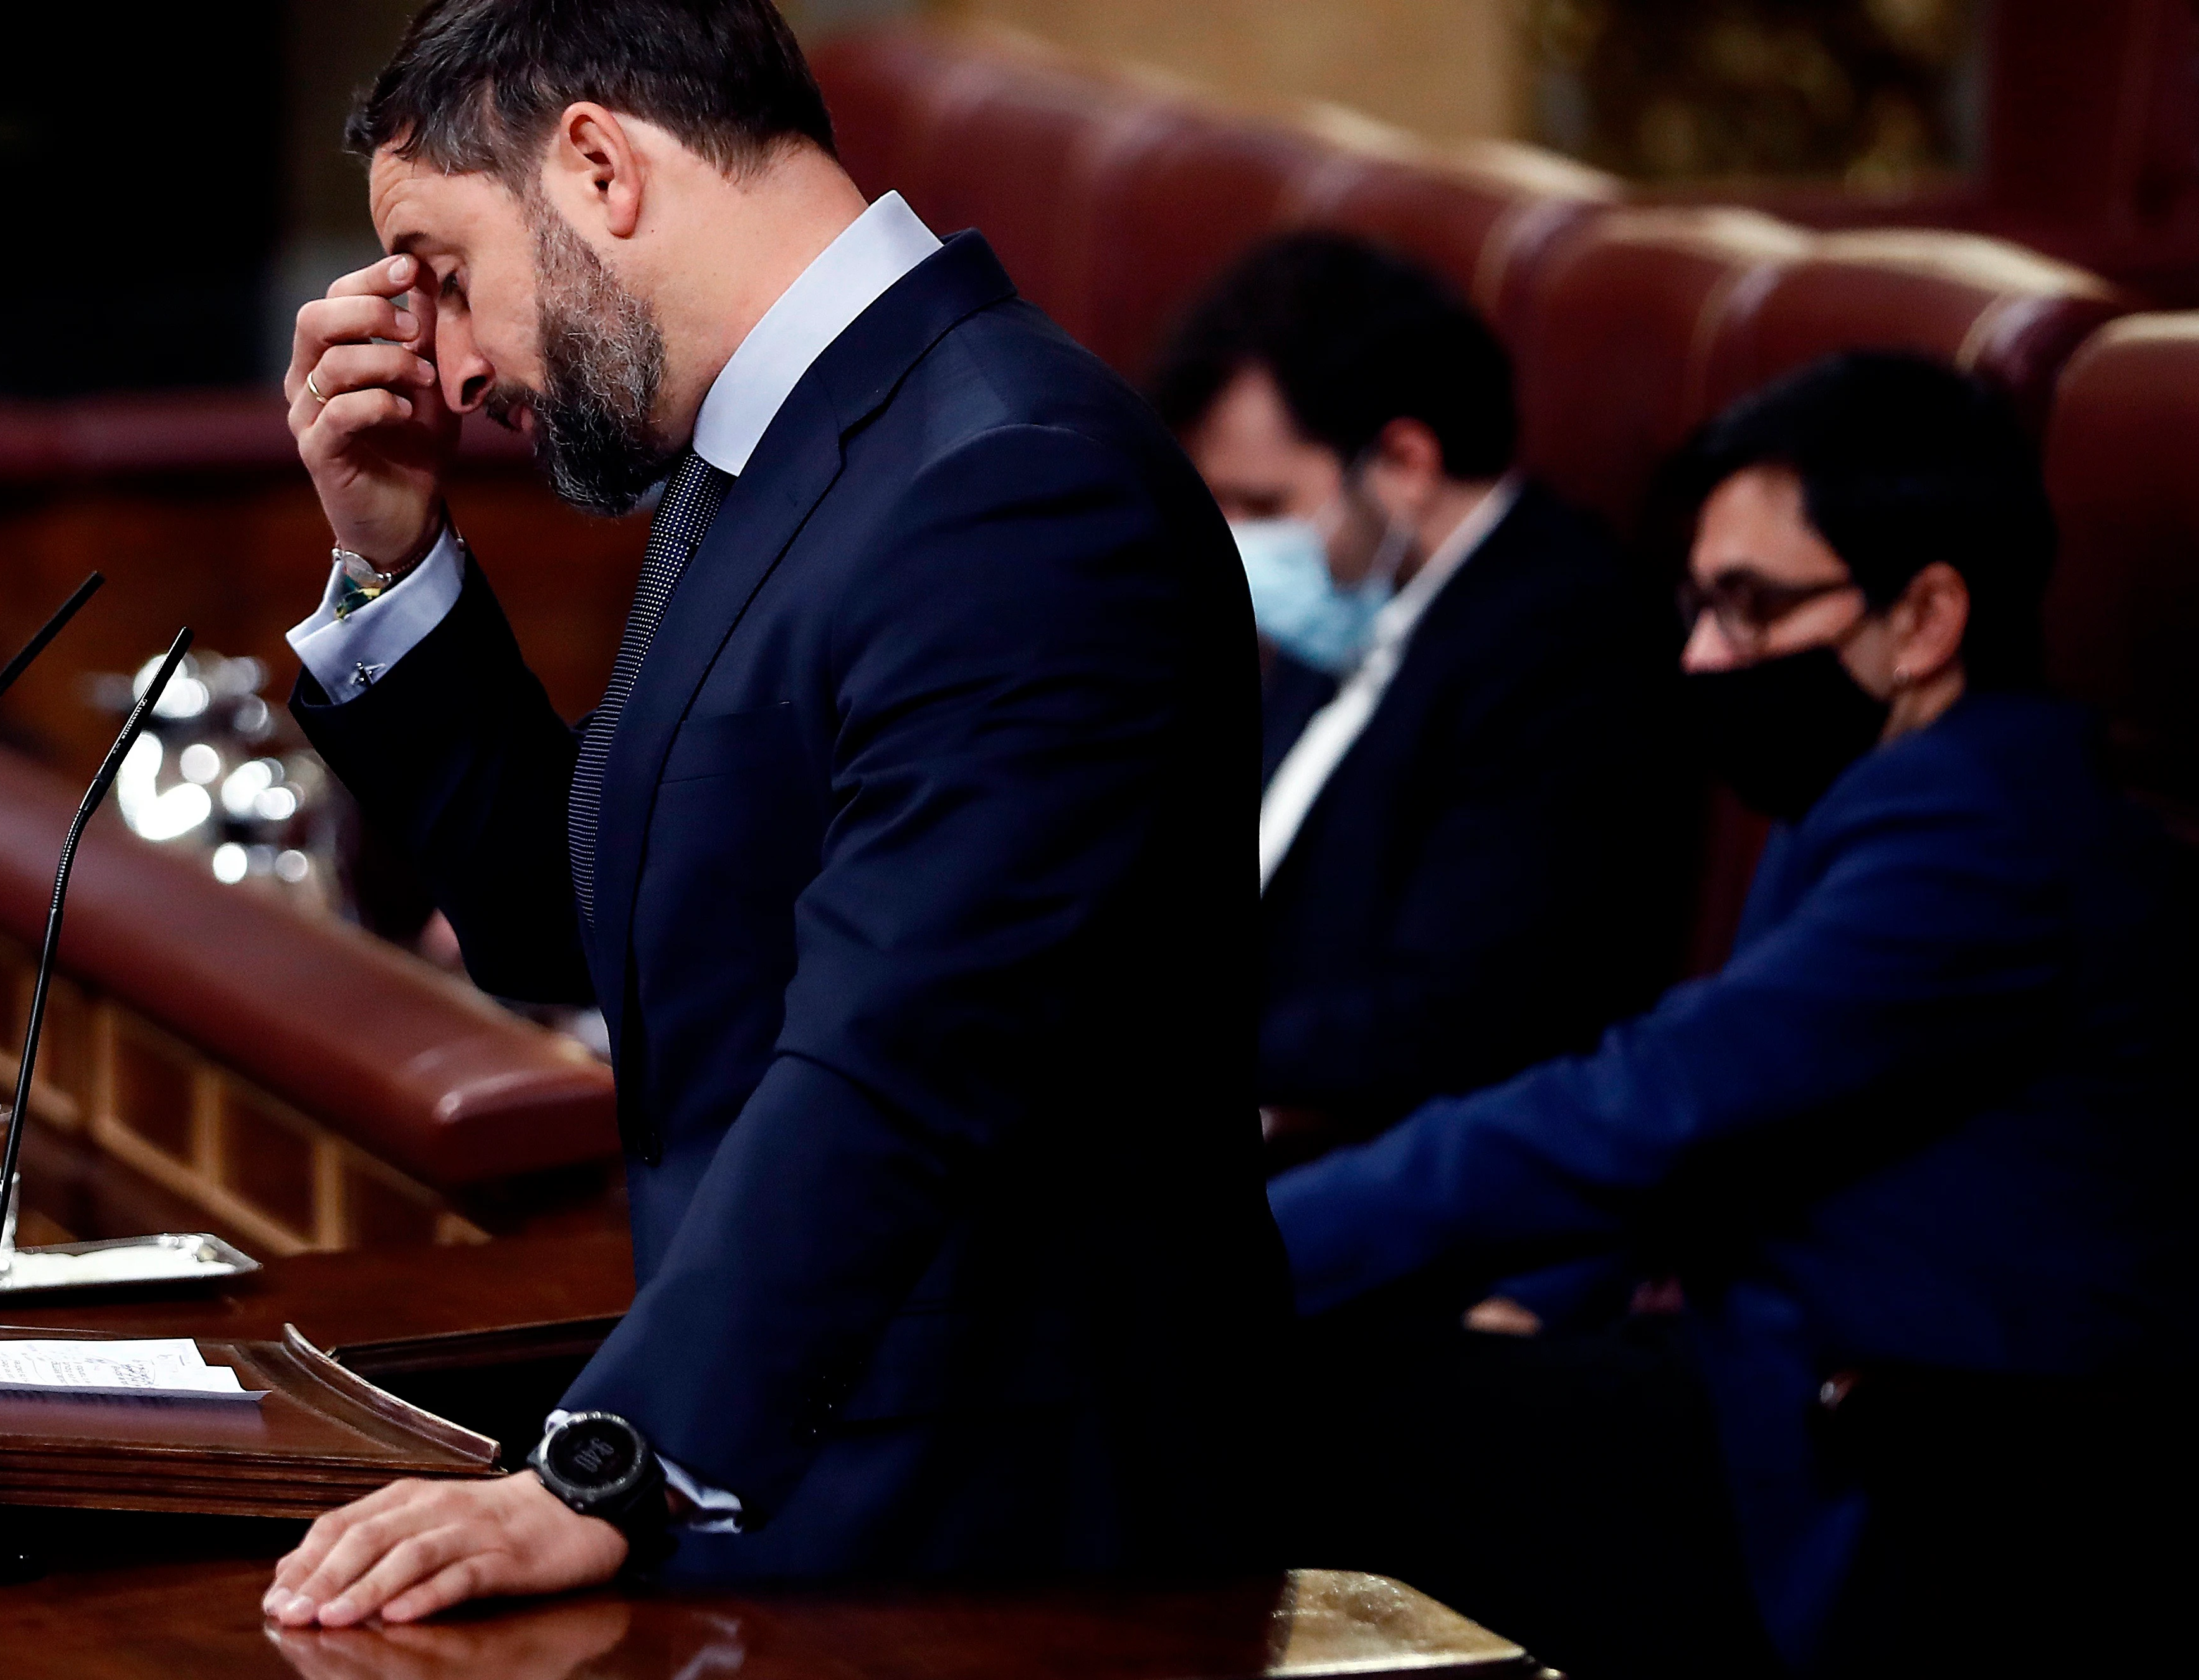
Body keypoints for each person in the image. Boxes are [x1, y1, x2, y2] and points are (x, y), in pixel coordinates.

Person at [260, 0, 1285, 1627]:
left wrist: (606, 1460)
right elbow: (581, 916)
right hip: (827, 1486)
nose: (444, 364)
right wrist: (389, 561)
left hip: (1005, 1553)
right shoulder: (780, 458)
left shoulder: (1007, 480)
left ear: (596, 164)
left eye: (447, 273)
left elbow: (905, 1048)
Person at [1268, 352, 2199, 1675]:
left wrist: (1232, 1247)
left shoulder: (1972, 834)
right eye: (1695, 605)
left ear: (1925, 614)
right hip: (1741, 1364)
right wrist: (1536, 1289)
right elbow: (1726, 1118)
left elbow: (1642, 1104)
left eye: (1749, 609)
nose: (1702, 655)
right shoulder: (1890, 783)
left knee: (1277, 1395)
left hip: (1894, 1457)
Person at [1150, 232, 1690, 1150]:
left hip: (1381, 1159)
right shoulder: (1355, 594)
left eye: (1265, 506)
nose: (1232, 541)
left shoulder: (1566, 646)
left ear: (1403, 462)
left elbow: (1459, 1016)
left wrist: (1144, 1052)